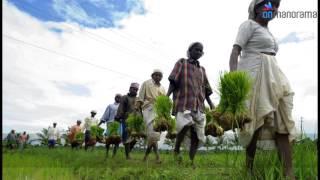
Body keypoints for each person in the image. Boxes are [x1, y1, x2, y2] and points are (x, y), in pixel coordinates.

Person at [229, 0, 296, 178]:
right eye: (269, 4)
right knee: (256, 123)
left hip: (273, 77)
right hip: (255, 76)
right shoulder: (248, 25)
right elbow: (235, 51)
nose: (273, 9)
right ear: (257, 8)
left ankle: (288, 173)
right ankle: (249, 168)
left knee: (281, 121)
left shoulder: (269, 33)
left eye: (276, 6)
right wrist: (233, 79)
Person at [167, 42, 214, 168]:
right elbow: (173, 81)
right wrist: (166, 96)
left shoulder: (202, 70)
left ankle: (191, 160)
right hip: (183, 102)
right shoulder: (182, 63)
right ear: (190, 50)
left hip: (198, 105)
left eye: (201, 51)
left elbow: (206, 89)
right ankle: (176, 149)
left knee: (196, 135)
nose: (198, 52)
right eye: (196, 50)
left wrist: (211, 103)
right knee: (184, 125)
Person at [137, 69, 166, 163]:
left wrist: (165, 114)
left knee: (155, 135)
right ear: (152, 75)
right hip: (148, 108)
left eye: (160, 75)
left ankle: (146, 157)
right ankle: (157, 157)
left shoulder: (162, 88)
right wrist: (137, 108)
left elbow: (164, 102)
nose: (158, 77)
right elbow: (140, 97)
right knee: (152, 133)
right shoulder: (146, 83)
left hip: (158, 111)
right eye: (156, 75)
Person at [115, 83, 140, 160]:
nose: (135, 91)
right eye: (133, 89)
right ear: (130, 89)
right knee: (127, 137)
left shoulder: (138, 99)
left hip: (136, 121)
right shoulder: (125, 97)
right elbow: (121, 107)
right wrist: (118, 117)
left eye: (136, 90)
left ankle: (128, 151)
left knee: (136, 138)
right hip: (126, 119)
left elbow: (140, 109)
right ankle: (128, 156)